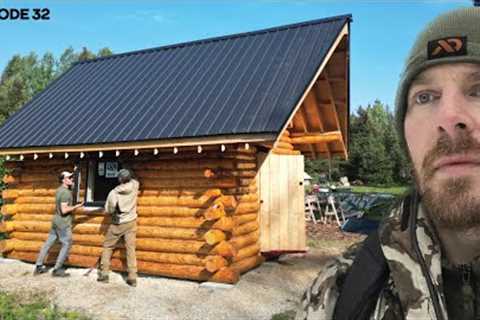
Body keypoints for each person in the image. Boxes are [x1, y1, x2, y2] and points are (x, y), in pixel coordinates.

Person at [296, 6, 480, 320]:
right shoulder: (338, 293)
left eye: (478, 90)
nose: (449, 118)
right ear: (405, 137)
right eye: (425, 97)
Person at [34, 171, 84, 277]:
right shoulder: (65, 193)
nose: (72, 179)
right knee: (67, 243)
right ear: (63, 180)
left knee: (48, 243)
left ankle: (38, 266)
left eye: (72, 177)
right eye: (69, 177)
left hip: (56, 221)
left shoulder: (60, 190)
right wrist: (77, 206)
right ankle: (57, 269)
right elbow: (64, 210)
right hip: (63, 223)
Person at [97, 168, 139, 287]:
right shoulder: (135, 185)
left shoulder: (113, 193)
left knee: (108, 246)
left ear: (119, 179)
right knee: (130, 249)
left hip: (118, 223)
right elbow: (135, 178)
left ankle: (104, 274)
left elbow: (109, 210)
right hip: (131, 221)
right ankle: (132, 277)